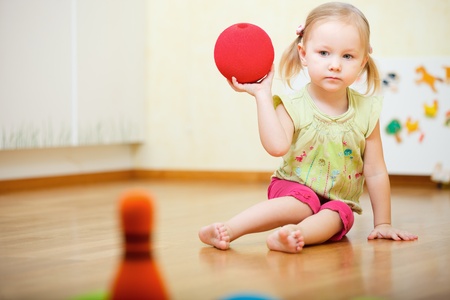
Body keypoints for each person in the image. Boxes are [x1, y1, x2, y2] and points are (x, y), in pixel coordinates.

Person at [199, 2, 418, 253]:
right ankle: (228, 229)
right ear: (304, 54)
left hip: (336, 199)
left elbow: (376, 171)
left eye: (347, 56)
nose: (335, 64)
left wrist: (384, 223)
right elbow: (276, 146)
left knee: (340, 213)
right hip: (292, 188)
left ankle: (293, 235)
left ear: (362, 62)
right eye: (324, 53)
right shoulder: (293, 105)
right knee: (306, 202)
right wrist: (262, 95)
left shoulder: (367, 111)